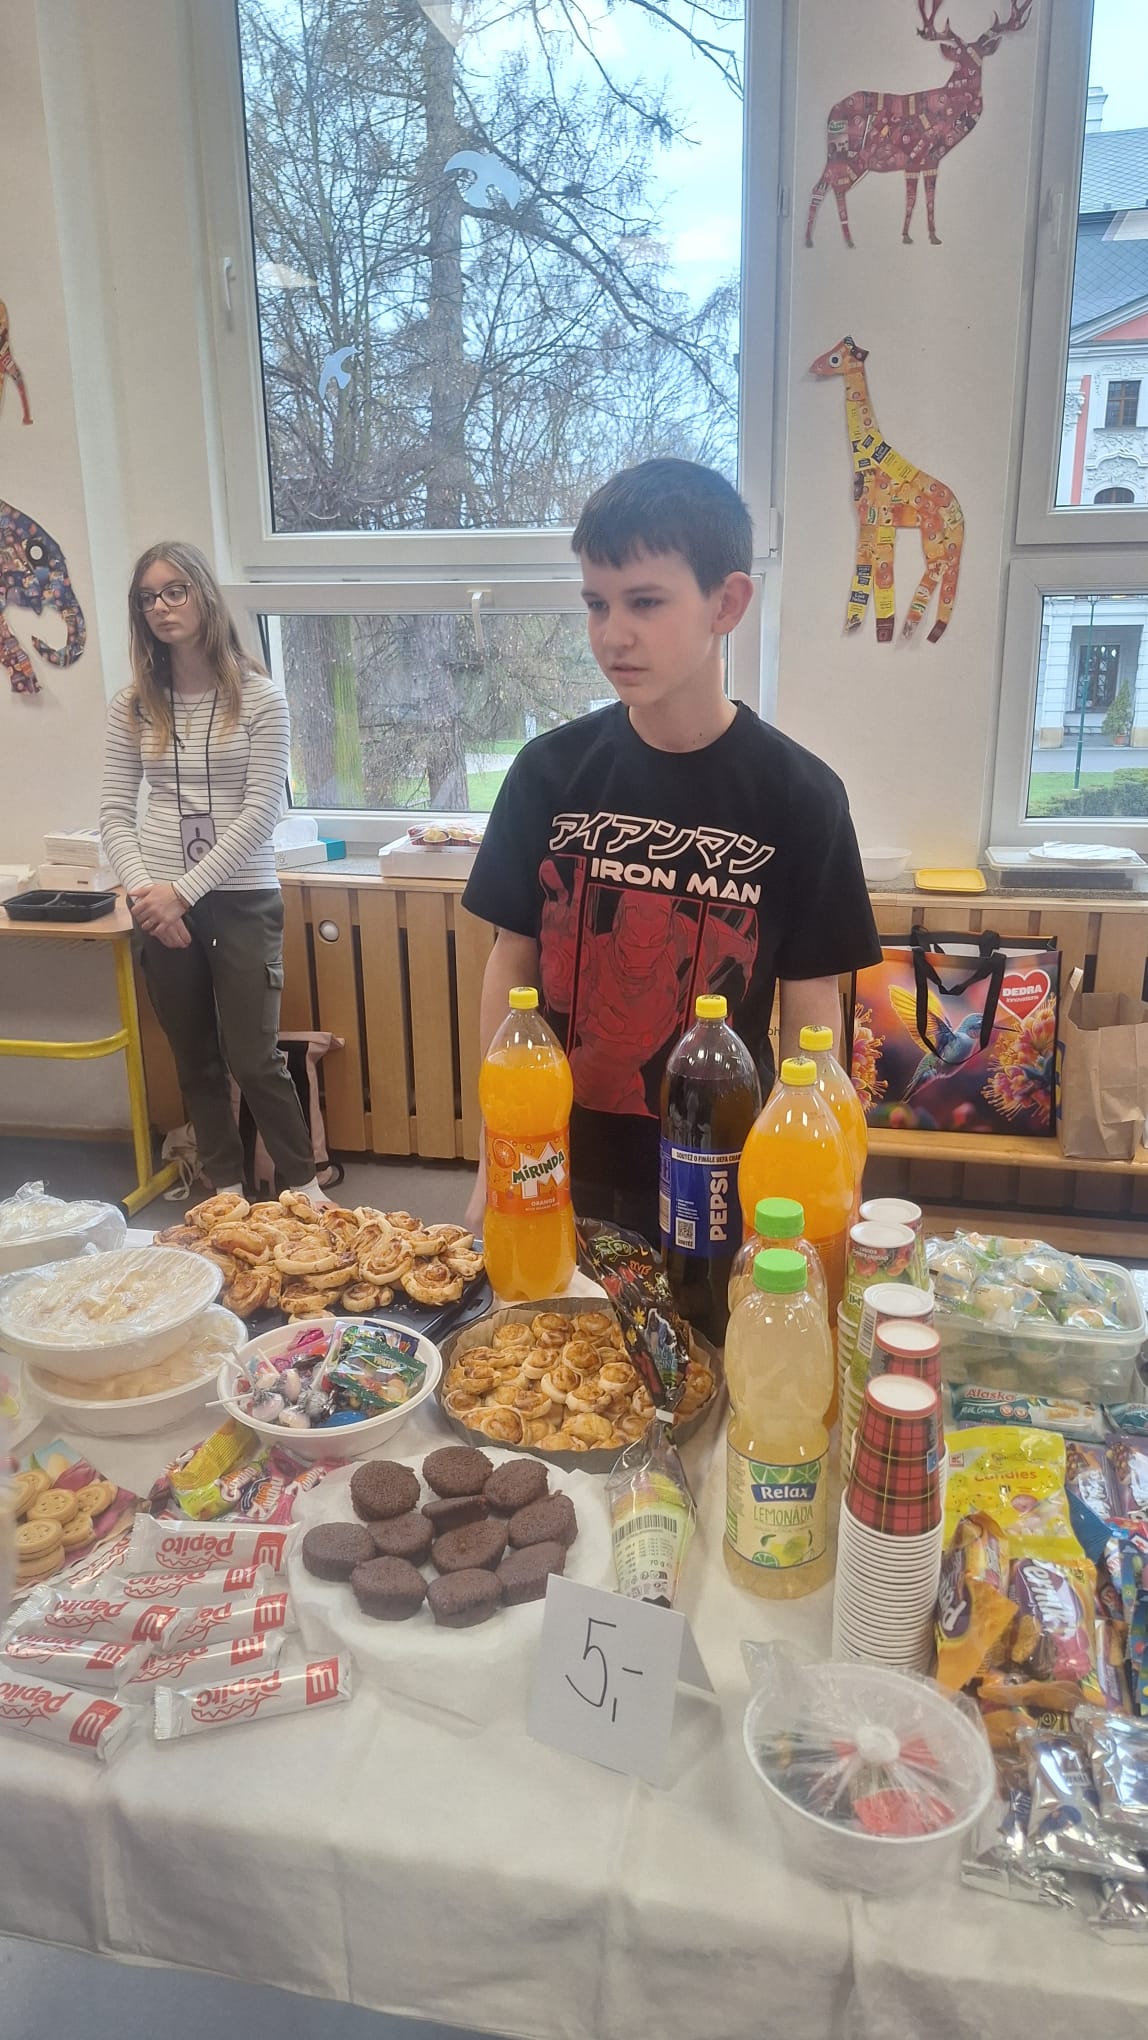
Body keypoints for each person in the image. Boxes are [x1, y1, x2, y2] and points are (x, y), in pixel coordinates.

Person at [461, 458, 882, 1241]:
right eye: (597, 604)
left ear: (727, 603)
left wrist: (816, 1171)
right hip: (557, 1159)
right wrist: (495, 1146)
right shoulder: (547, 774)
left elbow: (813, 1014)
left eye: (645, 602)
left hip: (719, 1171)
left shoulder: (801, 797)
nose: (613, 634)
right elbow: (510, 961)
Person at [100, 540, 329, 1205]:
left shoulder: (260, 698)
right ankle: (226, 1191)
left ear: (203, 595)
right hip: (157, 902)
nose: (161, 607)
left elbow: (262, 812)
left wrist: (183, 892)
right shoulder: (132, 704)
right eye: (148, 597)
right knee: (195, 1059)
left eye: (175, 591)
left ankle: (305, 1191)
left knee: (255, 1058)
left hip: (241, 896)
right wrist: (148, 896)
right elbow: (114, 812)